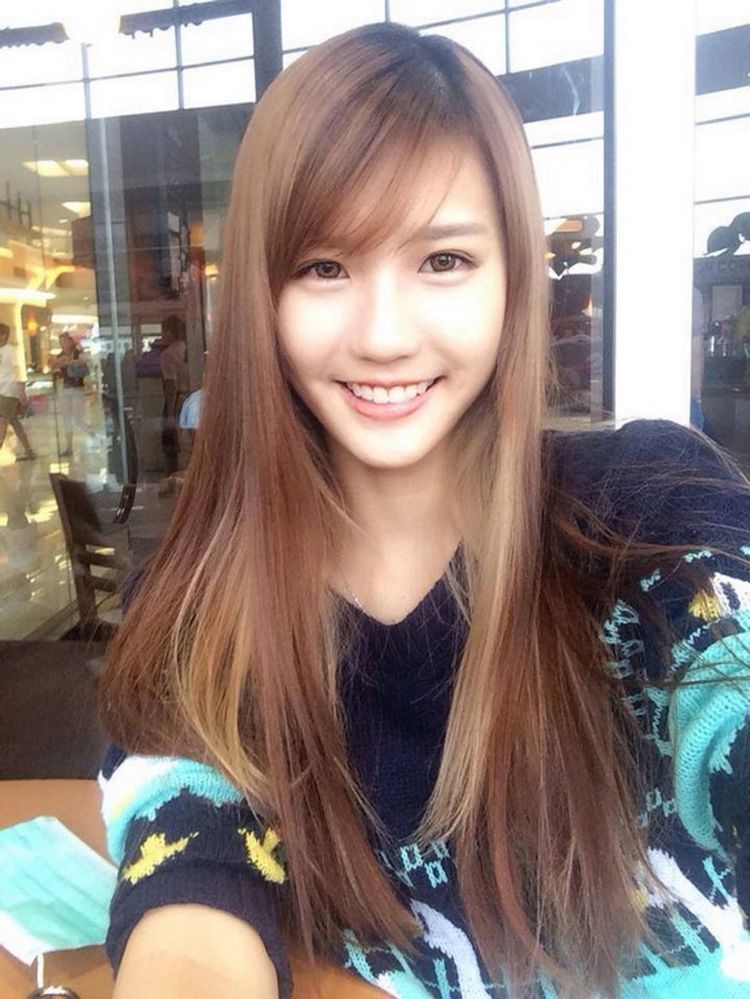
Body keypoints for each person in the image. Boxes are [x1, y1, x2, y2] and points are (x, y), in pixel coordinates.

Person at [98, 23, 750, 999]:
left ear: (512, 277)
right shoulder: (205, 606)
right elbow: (189, 900)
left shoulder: (649, 516)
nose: (384, 336)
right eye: (324, 267)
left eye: (443, 260)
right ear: (262, 298)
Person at [48, 331, 96, 457]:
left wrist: (68, 362)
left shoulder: (78, 352)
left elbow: (84, 361)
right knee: (66, 419)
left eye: (64, 341)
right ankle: (69, 447)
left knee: (78, 418)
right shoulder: (60, 356)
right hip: (65, 388)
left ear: (70, 342)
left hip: (77, 388)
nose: (63, 344)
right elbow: (53, 365)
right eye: (61, 342)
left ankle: (91, 433)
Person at [0, 323, 36, 462]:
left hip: (8, 391)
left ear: (4, 335)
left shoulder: (11, 350)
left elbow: (17, 370)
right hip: (2, 391)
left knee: (2, 421)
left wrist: (20, 390)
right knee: (14, 421)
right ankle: (29, 450)